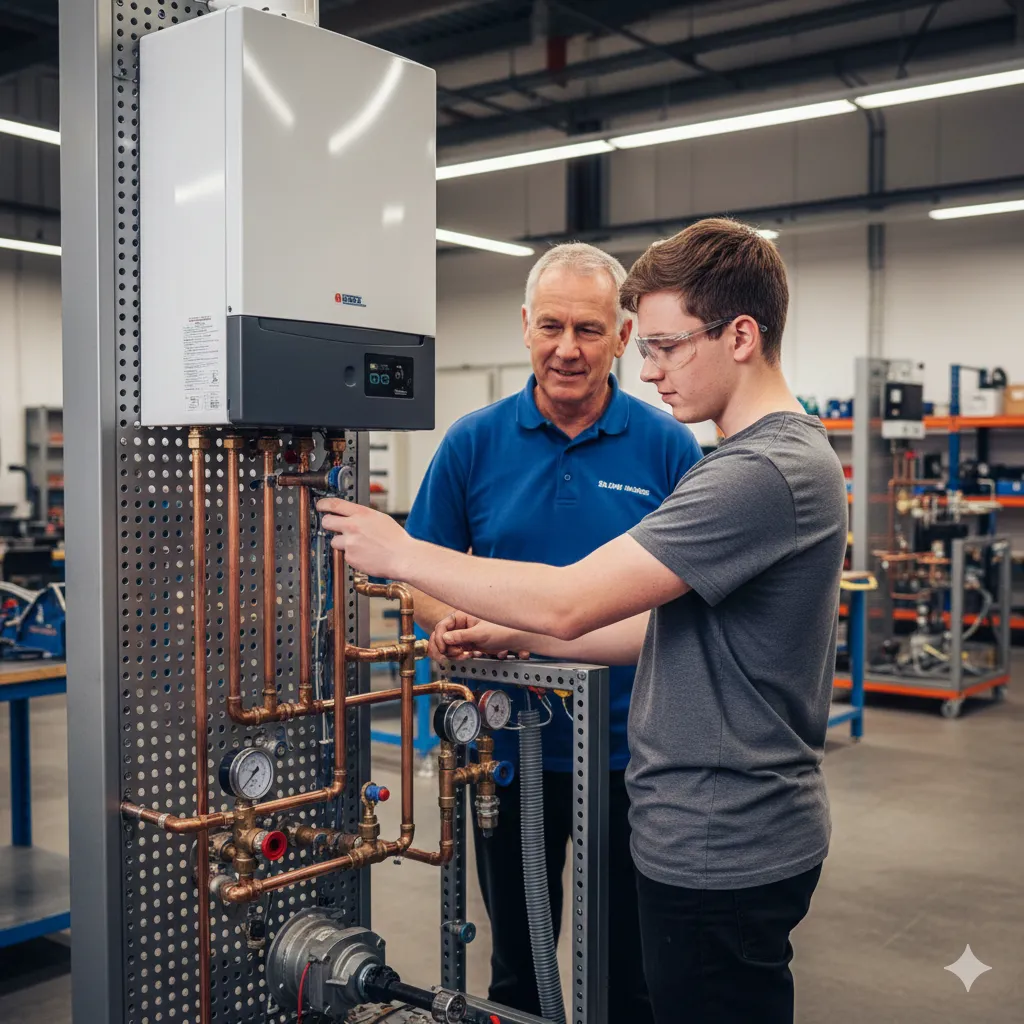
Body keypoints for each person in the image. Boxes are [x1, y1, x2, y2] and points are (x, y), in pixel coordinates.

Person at [319, 218, 847, 1024]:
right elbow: (656, 627)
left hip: (715, 828)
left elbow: (572, 598)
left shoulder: (756, 470)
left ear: (740, 335)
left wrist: (398, 551)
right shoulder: (763, 460)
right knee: (526, 964)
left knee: (641, 986)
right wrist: (512, 633)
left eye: (664, 346)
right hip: (579, 774)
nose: (650, 368)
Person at [401, 242, 703, 1022]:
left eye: (591, 330)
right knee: (519, 962)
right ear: (525, 327)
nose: (568, 348)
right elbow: (418, 574)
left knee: (628, 966)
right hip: (506, 750)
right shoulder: (473, 441)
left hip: (634, 753)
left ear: (624, 336)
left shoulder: (668, 446)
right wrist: (454, 622)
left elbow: (689, 594)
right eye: (552, 326)